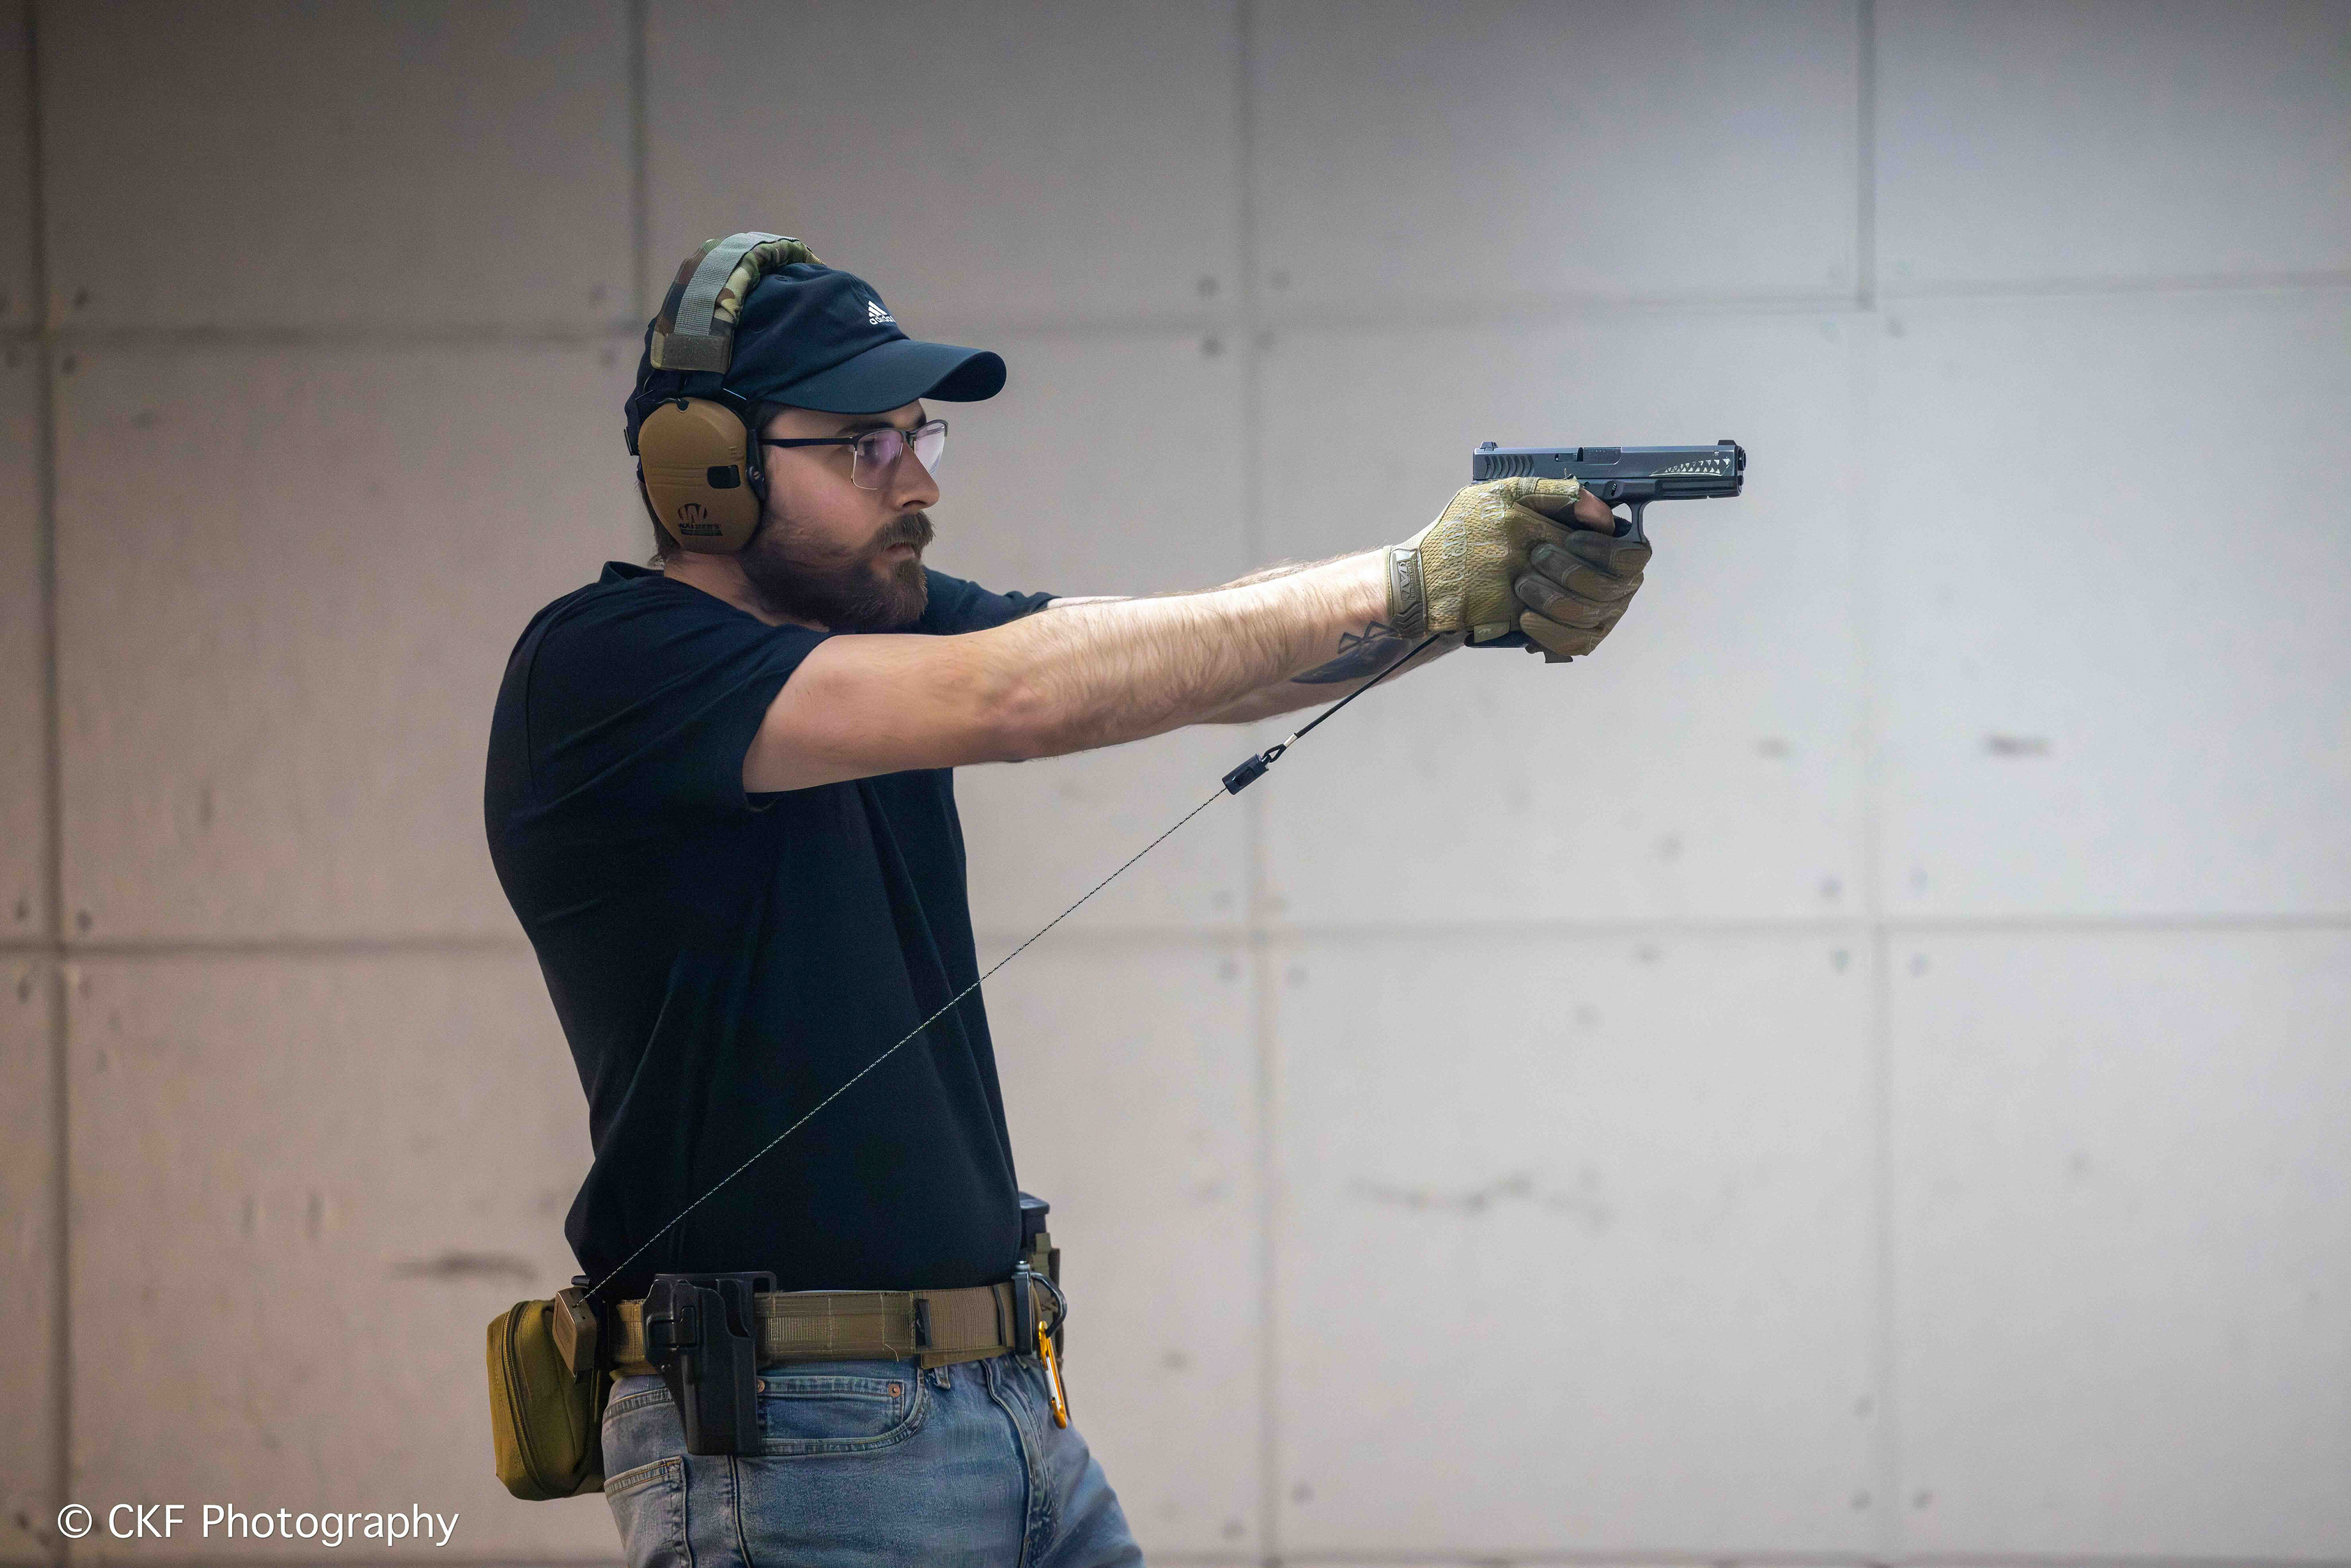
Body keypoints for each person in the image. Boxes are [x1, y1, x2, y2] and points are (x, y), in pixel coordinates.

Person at [483, 247, 1646, 1568]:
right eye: (864, 446)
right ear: (705, 468)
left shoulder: (883, 622)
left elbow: (1189, 655)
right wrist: (1407, 580)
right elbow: (1019, 692)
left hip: (1001, 1401)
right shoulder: (606, 666)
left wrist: (1470, 601)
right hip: (794, 1441)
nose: (917, 482)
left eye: (919, 436)